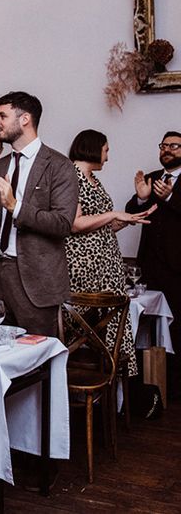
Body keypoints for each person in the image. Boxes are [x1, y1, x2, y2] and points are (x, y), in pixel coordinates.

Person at [0, 91, 78, 336]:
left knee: (37, 360)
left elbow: (62, 224)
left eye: (2, 116)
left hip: (36, 281)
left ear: (25, 119)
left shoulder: (59, 166)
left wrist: (15, 206)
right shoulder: (1, 165)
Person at [65, 130, 154, 378]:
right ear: (93, 149)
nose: (108, 157)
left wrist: (130, 218)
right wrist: (114, 214)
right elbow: (75, 223)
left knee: (114, 317)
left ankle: (114, 380)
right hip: (85, 264)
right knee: (86, 325)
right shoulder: (70, 176)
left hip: (106, 263)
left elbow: (104, 223)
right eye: (106, 150)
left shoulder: (93, 179)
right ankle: (91, 385)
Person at [126, 130, 181, 393]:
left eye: (174, 146)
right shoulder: (151, 178)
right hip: (149, 267)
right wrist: (142, 198)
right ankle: (147, 386)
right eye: (163, 145)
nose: (167, 150)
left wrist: (170, 197)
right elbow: (131, 213)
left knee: (178, 327)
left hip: (178, 270)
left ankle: (175, 387)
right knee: (146, 329)